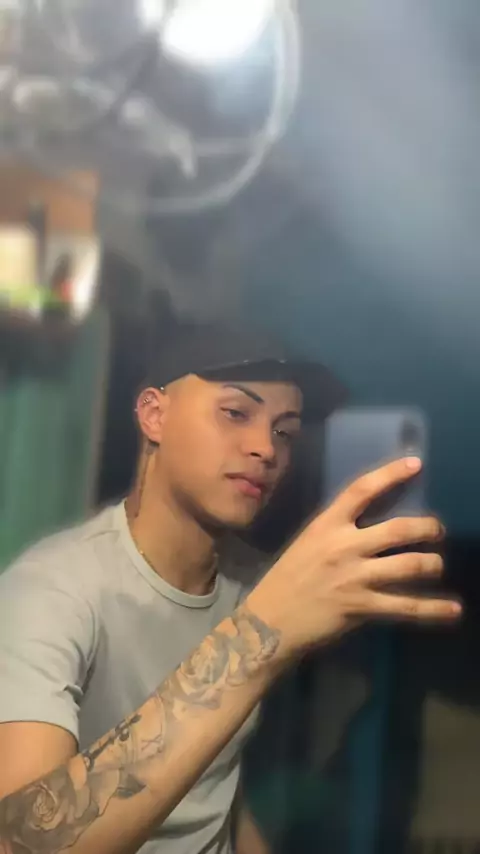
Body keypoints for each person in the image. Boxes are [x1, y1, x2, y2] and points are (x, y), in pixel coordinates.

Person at [0, 322, 460, 854]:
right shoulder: (51, 591)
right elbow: (23, 843)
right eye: (235, 413)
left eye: (285, 433)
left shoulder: (253, 585)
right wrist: (259, 636)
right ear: (154, 415)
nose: (266, 448)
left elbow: (210, 789)